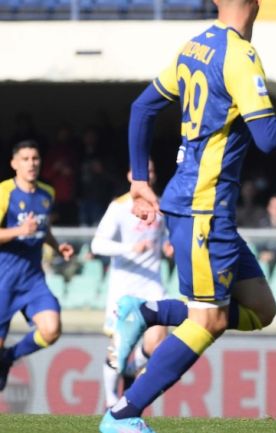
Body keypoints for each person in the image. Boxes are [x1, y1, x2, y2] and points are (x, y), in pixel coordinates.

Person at [99, 0, 276, 430]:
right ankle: (123, 413)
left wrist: (137, 179)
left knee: (261, 309)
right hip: (203, 209)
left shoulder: (195, 45)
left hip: (204, 207)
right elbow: (268, 137)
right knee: (209, 319)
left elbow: (142, 108)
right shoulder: (239, 54)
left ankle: (146, 311)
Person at [91, 161, 173, 409]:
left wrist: (170, 246)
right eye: (142, 171)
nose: (148, 175)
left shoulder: (160, 205)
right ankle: (111, 400)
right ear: (130, 175)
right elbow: (97, 245)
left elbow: (166, 237)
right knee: (119, 347)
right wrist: (130, 248)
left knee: (157, 340)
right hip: (123, 288)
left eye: (151, 170)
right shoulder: (118, 208)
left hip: (153, 284)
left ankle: (131, 368)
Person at [0, 140, 74, 391]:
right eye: (25, 159)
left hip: (32, 280)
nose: (31, 164)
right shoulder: (4, 192)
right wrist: (20, 230)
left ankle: (8, 358)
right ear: (14, 163)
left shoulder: (47, 193)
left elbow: (43, 229)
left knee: (51, 329)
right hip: (3, 281)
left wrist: (56, 245)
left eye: (35, 158)